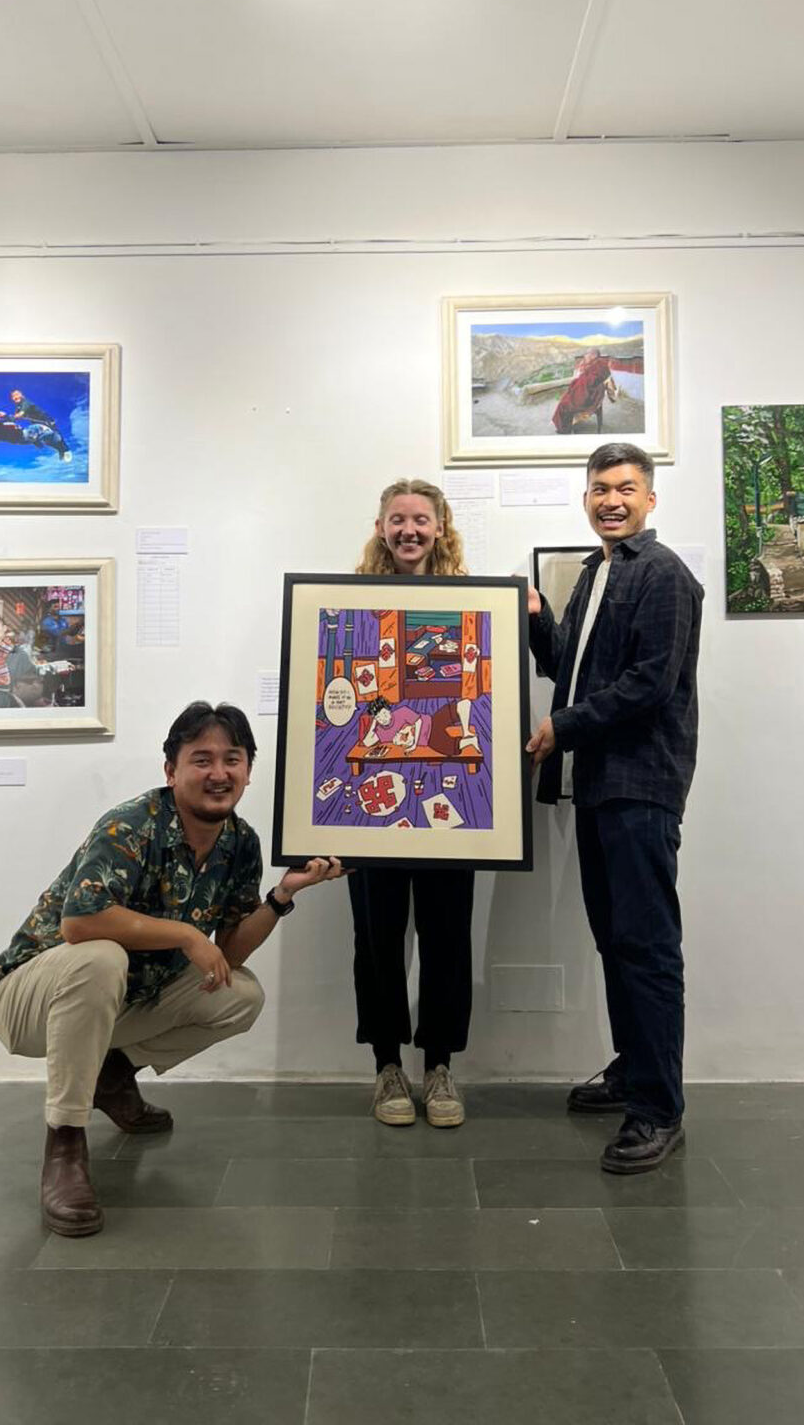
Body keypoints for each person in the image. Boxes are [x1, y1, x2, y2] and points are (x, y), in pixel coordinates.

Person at [0, 700, 345, 1236]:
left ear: (249, 769)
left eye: (233, 759)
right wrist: (185, 934)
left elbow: (229, 954)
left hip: (117, 1001)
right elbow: (80, 924)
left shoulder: (241, 842)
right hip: (29, 995)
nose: (219, 773)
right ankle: (64, 1143)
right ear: (171, 769)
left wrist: (282, 895)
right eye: (201, 759)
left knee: (239, 994)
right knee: (101, 957)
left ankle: (112, 1073)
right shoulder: (132, 825)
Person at [526, 443, 702, 1174]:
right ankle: (634, 1071)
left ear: (650, 499)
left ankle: (658, 1110)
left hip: (641, 787)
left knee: (646, 948)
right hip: (599, 786)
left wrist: (560, 728)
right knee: (616, 941)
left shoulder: (663, 574)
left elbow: (650, 685)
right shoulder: (597, 572)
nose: (611, 500)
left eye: (626, 488)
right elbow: (567, 664)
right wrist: (535, 618)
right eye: (600, 489)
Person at [351, 478, 474, 1129]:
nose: (408, 530)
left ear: (439, 527)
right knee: (376, 940)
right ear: (380, 526)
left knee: (448, 938)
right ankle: (387, 1067)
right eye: (397, 519)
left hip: (451, 807)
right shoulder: (349, 608)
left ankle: (440, 1066)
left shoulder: (473, 605)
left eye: (420, 520)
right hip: (373, 807)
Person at [552, 349, 618, 436]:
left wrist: (578, 383)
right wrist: (577, 382)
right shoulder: (595, 364)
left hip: (590, 397)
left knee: (564, 404)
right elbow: (584, 379)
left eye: (586, 354)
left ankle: (565, 429)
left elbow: (589, 382)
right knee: (565, 399)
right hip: (588, 392)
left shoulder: (599, 365)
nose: (585, 356)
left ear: (593, 355)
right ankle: (565, 425)